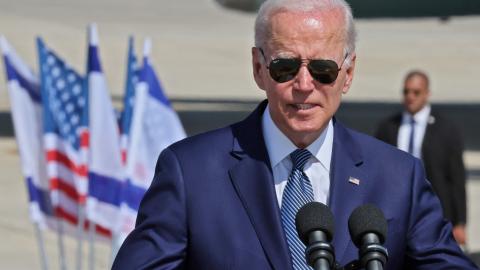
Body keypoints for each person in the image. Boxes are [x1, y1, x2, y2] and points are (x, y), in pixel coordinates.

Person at [112, 0, 477, 269]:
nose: (304, 85)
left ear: (348, 74)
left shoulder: (399, 177)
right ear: (258, 68)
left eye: (323, 69)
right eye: (285, 67)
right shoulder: (190, 172)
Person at [375, 70, 468, 246]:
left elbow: (456, 178)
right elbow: (378, 171)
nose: (410, 96)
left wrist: (460, 223)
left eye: (416, 92)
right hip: (396, 209)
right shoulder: (388, 127)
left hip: (435, 210)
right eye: (406, 91)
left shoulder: (446, 129)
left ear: (427, 94)